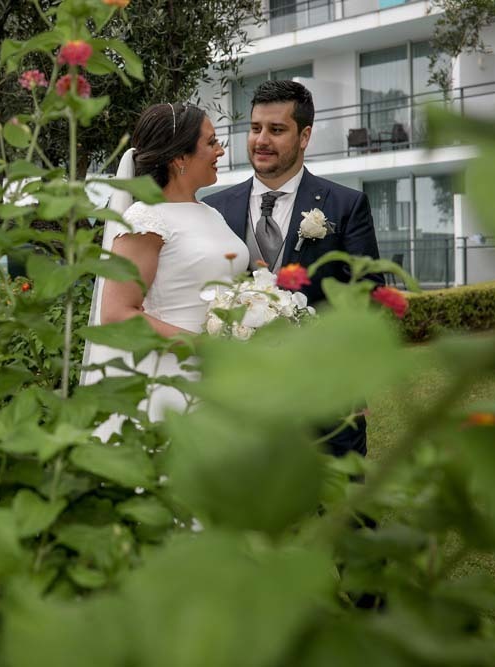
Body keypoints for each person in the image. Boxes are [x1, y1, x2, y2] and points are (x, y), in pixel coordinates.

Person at [202, 80, 384, 457]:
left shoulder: (345, 206)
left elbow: (368, 299)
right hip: (241, 401)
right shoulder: (215, 208)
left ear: (304, 136)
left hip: (325, 399)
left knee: (342, 509)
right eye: (255, 129)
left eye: (276, 130)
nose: (261, 140)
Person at [80, 102, 248, 441]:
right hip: (172, 376)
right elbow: (116, 313)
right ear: (179, 158)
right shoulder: (146, 219)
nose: (221, 150)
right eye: (211, 142)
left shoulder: (210, 213)